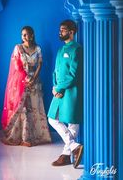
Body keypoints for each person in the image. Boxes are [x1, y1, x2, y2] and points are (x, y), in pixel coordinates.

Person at [1, 26, 51, 146]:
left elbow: (40, 64)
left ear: (32, 35)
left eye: (26, 34)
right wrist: (26, 78)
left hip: (35, 82)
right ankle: (22, 137)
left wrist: (34, 78)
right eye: (22, 34)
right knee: (22, 109)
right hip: (21, 82)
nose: (24, 36)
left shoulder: (38, 48)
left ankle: (35, 137)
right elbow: (16, 66)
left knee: (34, 108)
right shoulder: (18, 48)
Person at [48, 19, 83, 168]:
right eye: (60, 29)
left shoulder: (77, 49)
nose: (60, 32)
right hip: (59, 90)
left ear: (72, 32)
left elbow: (73, 75)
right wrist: (55, 87)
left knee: (72, 122)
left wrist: (60, 88)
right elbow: (55, 71)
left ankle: (66, 155)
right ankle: (74, 146)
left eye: (63, 30)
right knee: (52, 119)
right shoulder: (60, 50)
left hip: (71, 91)